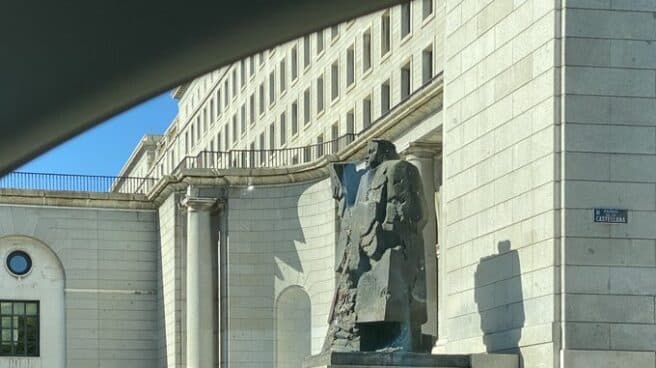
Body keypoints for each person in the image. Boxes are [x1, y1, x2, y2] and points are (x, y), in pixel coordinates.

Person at [322, 139, 428, 353]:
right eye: (366, 152)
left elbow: (415, 212)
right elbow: (357, 211)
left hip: (393, 247)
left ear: (384, 151)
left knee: (390, 300)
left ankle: (395, 337)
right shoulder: (365, 180)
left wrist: (389, 228)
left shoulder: (400, 168)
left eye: (371, 151)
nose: (367, 155)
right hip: (366, 248)